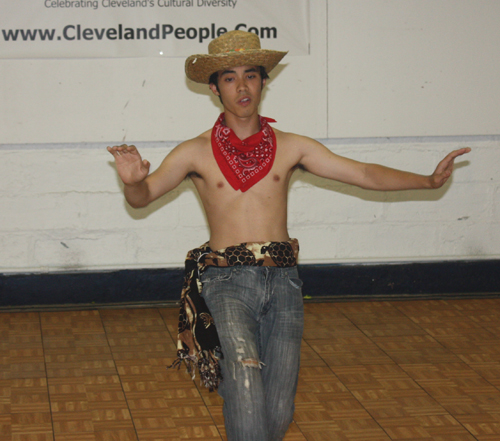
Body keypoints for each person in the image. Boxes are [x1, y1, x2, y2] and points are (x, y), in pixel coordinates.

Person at [108, 30, 470, 441]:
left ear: (264, 81)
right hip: (225, 282)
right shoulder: (194, 152)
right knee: (245, 387)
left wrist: (427, 181)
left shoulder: (292, 146)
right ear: (213, 88)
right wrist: (133, 184)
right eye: (229, 78)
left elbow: (363, 173)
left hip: (283, 283)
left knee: (277, 412)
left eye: (250, 75)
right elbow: (143, 197)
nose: (242, 86)